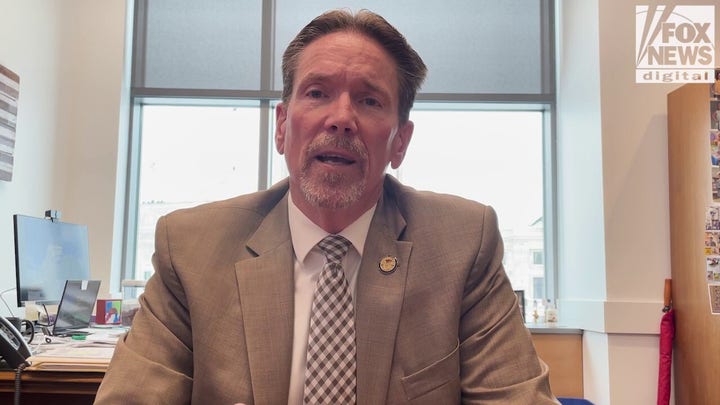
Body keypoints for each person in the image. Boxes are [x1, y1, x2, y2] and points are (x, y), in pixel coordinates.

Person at [95, 9, 558, 404]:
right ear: (281, 126)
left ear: (400, 141)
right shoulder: (190, 248)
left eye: (369, 100)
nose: (341, 119)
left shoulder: (463, 245)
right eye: (317, 93)